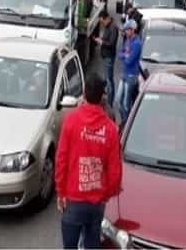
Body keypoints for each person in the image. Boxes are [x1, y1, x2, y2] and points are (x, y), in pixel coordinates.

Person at [55, 73, 122, 250]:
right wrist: (106, 195)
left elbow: (61, 159)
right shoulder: (110, 129)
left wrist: (61, 192)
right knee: (92, 244)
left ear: (84, 94)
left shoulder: (71, 121)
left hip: (73, 199)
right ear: (102, 98)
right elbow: (114, 171)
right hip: (96, 203)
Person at [116, 19, 142, 128]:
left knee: (126, 104)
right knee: (117, 101)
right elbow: (120, 53)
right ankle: (125, 121)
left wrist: (125, 55)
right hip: (124, 74)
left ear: (133, 30)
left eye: (127, 30)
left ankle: (127, 125)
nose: (125, 32)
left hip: (132, 76)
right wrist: (125, 55)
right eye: (125, 30)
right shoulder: (127, 40)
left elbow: (129, 60)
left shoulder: (137, 43)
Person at [94, 10, 119, 110]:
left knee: (109, 81)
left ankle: (110, 103)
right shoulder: (108, 27)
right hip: (105, 56)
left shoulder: (113, 28)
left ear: (107, 18)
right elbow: (106, 39)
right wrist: (101, 39)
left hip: (109, 57)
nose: (102, 24)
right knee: (106, 79)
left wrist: (102, 42)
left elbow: (111, 43)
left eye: (102, 21)